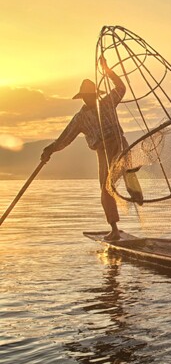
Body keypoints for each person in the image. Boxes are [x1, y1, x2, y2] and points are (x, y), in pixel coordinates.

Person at [41, 56, 140, 241]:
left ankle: (134, 188)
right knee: (105, 189)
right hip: (102, 150)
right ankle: (114, 229)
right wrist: (50, 149)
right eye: (86, 97)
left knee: (127, 168)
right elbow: (65, 138)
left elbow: (121, 88)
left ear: (95, 95)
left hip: (118, 143)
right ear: (83, 98)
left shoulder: (107, 102)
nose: (89, 99)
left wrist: (107, 70)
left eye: (91, 96)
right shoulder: (80, 118)